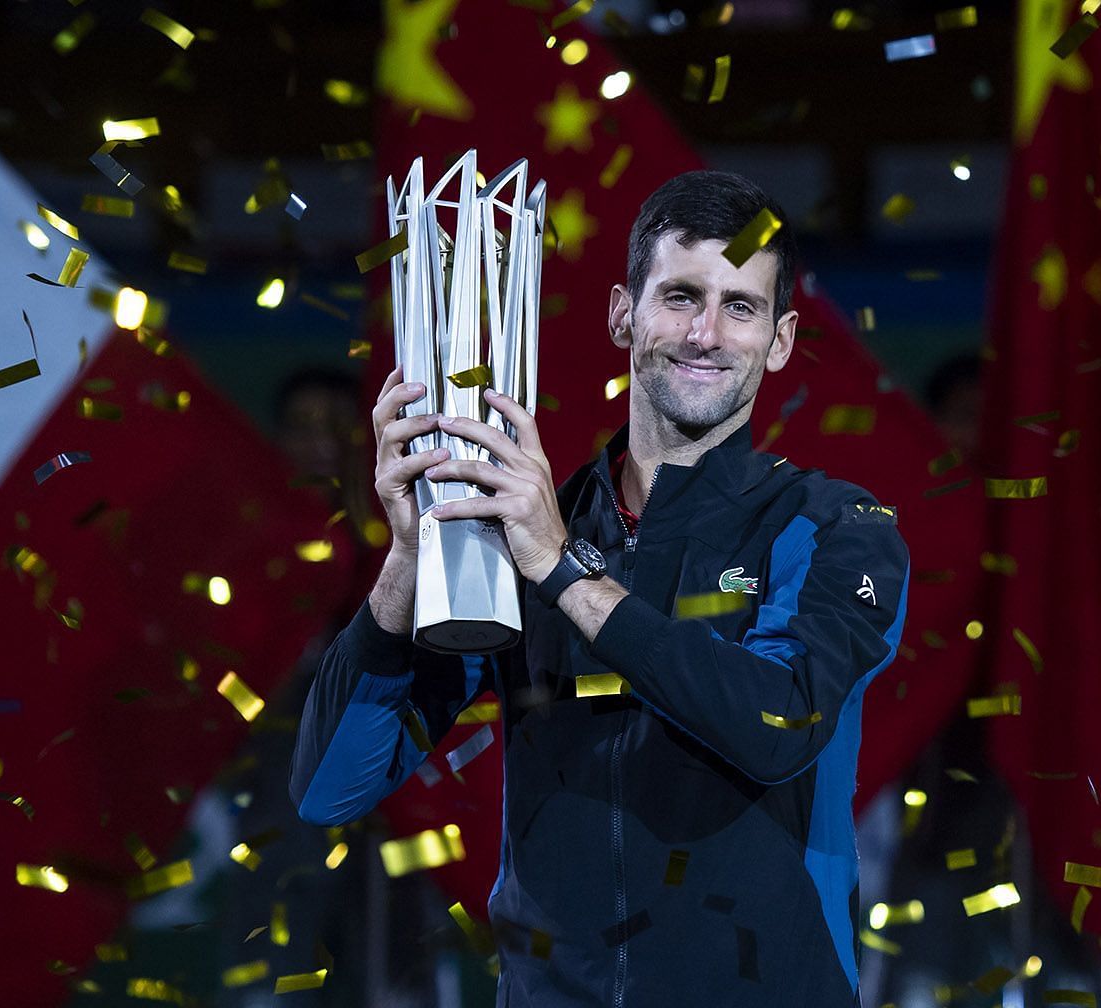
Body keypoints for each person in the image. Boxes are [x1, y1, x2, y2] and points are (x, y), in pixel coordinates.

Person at [290, 170, 911, 1007]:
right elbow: (331, 788)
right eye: (681, 296)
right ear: (624, 312)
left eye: (740, 307)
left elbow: (778, 723)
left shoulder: (836, 526)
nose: (704, 333)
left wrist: (562, 570)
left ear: (781, 338)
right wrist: (408, 556)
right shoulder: (522, 525)